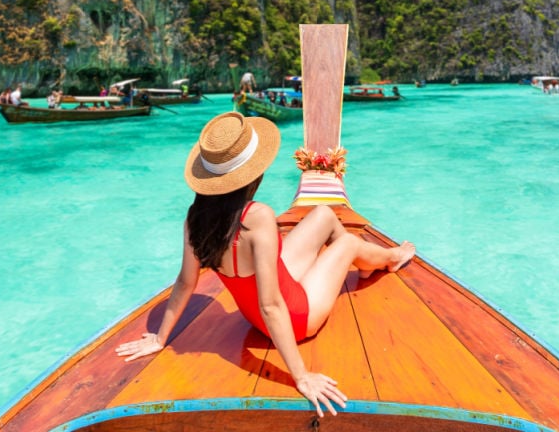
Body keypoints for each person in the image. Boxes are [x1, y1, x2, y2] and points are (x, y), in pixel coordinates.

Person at [115, 111, 414, 417]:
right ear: (253, 174)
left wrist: (160, 338)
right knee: (348, 242)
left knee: (324, 214)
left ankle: (364, 264)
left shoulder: (195, 219)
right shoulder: (257, 217)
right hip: (296, 318)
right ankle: (392, 258)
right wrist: (301, 377)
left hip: (253, 316)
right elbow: (272, 305)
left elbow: (185, 282)